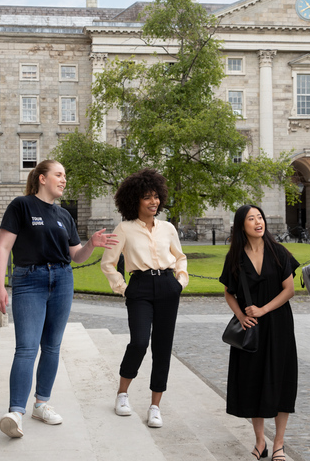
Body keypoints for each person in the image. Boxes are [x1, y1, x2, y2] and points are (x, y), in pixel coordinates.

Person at [0, 160, 118, 439]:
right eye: (59, 175)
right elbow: (3, 247)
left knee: (51, 347)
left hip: (62, 280)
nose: (64, 180)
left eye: (65, 176)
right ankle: (15, 412)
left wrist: (91, 245)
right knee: (26, 347)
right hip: (29, 281)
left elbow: (76, 256)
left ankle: (41, 404)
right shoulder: (21, 206)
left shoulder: (64, 215)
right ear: (41, 178)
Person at [101, 168, 188, 429]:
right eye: (147, 197)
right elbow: (108, 263)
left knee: (163, 347)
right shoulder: (124, 228)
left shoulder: (168, 228)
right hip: (138, 288)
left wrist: (180, 282)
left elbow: (180, 257)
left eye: (156, 197)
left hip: (167, 286)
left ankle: (155, 406)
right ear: (134, 200)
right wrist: (124, 288)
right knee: (139, 342)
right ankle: (122, 394)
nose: (154, 202)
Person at [219, 205, 300, 461]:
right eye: (251, 219)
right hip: (250, 328)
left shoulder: (279, 252)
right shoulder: (235, 257)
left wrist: (263, 309)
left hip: (278, 325)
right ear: (242, 225)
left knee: (281, 380)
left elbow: (289, 290)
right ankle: (259, 442)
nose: (258, 222)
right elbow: (228, 293)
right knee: (253, 381)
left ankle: (279, 444)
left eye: (260, 217)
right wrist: (242, 316)